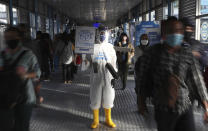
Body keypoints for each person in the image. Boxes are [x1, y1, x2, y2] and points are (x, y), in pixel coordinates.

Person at [137, 18, 208, 131]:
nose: (176, 33)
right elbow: (142, 79)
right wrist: (141, 102)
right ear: (164, 33)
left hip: (185, 107)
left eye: (179, 30)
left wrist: (206, 105)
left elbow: (197, 80)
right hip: (162, 109)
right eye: (172, 30)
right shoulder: (152, 54)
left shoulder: (187, 54)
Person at [0, 26, 41, 131]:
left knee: (22, 126)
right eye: (7, 37)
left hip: (25, 97)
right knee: (5, 125)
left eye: (12, 37)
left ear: (19, 38)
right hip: (6, 96)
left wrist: (25, 75)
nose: (9, 39)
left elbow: (37, 74)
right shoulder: (2, 55)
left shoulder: (28, 55)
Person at [87, 26, 117, 129]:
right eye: (100, 33)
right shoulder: (92, 47)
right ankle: (95, 120)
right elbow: (86, 63)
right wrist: (82, 58)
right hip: (96, 77)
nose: (102, 35)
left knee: (108, 97)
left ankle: (108, 119)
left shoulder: (110, 47)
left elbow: (114, 63)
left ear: (107, 34)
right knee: (95, 97)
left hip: (108, 76)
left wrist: (114, 76)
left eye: (104, 33)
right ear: (97, 33)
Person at [134, 34, 150, 114]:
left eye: (146, 39)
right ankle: (140, 107)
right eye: (143, 39)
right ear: (140, 40)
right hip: (139, 73)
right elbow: (136, 59)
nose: (144, 40)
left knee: (146, 90)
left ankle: (145, 106)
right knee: (139, 90)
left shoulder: (150, 49)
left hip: (148, 74)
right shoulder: (137, 49)